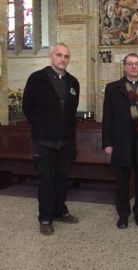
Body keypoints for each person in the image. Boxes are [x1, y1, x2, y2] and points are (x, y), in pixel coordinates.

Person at [22, 42, 80, 235]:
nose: (63, 59)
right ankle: (45, 217)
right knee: (46, 180)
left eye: (66, 56)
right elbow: (27, 107)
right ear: (51, 56)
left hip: (66, 141)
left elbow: (71, 111)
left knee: (63, 179)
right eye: (59, 55)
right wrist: (40, 127)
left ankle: (60, 210)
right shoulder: (37, 79)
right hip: (44, 141)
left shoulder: (73, 82)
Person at [102, 53, 138, 229]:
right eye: (130, 64)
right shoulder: (113, 88)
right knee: (122, 181)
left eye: (137, 64)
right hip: (121, 142)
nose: (134, 67)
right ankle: (123, 214)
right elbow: (108, 118)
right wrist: (107, 142)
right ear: (125, 66)